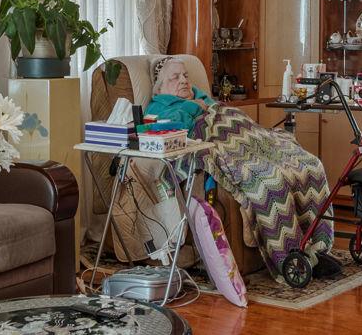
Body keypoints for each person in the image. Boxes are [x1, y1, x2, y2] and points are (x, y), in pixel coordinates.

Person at [140, 56, 342, 281]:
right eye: (175, 77)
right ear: (160, 88)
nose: (184, 80)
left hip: (255, 140)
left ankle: (318, 248)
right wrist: (194, 107)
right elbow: (174, 130)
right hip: (226, 148)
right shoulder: (158, 107)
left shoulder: (201, 96)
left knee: (310, 166)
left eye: (186, 75)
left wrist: (205, 105)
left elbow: (230, 116)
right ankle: (290, 258)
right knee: (270, 181)